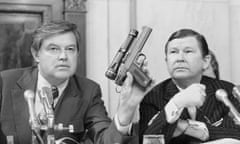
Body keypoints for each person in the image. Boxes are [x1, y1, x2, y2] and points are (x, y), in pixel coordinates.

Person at [0, 21, 148, 144]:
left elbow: (105, 140)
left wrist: (126, 109)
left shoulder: (88, 91)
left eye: (70, 49)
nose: (63, 56)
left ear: (77, 53)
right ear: (36, 54)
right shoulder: (5, 83)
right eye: (53, 49)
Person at [139, 29, 240, 144]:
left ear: (205, 61)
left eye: (188, 51)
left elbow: (236, 133)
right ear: (166, 61)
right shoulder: (153, 97)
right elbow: (148, 140)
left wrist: (187, 127)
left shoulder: (226, 91)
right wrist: (176, 103)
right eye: (173, 52)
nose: (180, 58)